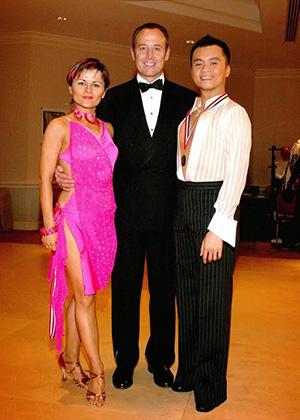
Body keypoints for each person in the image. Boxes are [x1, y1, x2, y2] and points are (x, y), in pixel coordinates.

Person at [56, 22, 197, 390]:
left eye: (157, 48)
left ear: (167, 53)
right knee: (125, 291)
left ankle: (161, 359)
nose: (149, 55)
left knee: (165, 293)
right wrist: (61, 167)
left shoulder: (187, 100)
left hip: (170, 213)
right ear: (132, 53)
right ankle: (125, 360)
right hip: (122, 214)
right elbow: (86, 145)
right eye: (142, 48)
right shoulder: (111, 98)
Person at [172, 35, 251, 412]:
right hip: (184, 205)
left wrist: (219, 226)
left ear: (227, 69)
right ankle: (187, 371)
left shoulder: (233, 113)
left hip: (215, 205)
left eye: (214, 62)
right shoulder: (189, 115)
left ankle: (210, 385)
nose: (206, 69)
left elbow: (237, 174)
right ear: (191, 69)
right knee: (186, 297)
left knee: (212, 302)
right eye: (199, 63)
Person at [39, 58, 118, 408]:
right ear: (71, 87)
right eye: (82, 83)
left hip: (105, 220)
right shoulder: (59, 126)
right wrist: (48, 227)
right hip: (72, 218)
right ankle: (97, 371)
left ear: (104, 91)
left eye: (96, 84)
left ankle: (69, 359)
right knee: (86, 297)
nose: (89, 90)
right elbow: (44, 179)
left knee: (81, 294)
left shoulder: (109, 129)